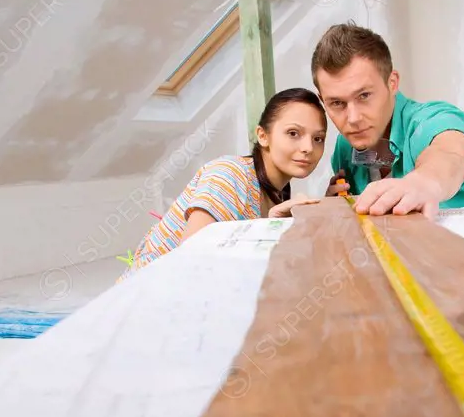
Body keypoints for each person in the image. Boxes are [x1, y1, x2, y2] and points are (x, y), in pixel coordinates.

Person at [119, 87, 327, 279]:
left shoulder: (279, 193)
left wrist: (327, 205)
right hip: (147, 299)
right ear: (263, 136)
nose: (308, 147)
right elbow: (192, 261)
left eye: (318, 138)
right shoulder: (228, 175)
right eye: (293, 133)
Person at [310, 23, 464, 219]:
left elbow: (451, 153)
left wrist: (426, 182)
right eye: (337, 103)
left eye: (364, 96)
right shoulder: (346, 147)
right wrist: (337, 209)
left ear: (392, 83)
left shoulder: (431, 120)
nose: (353, 119)